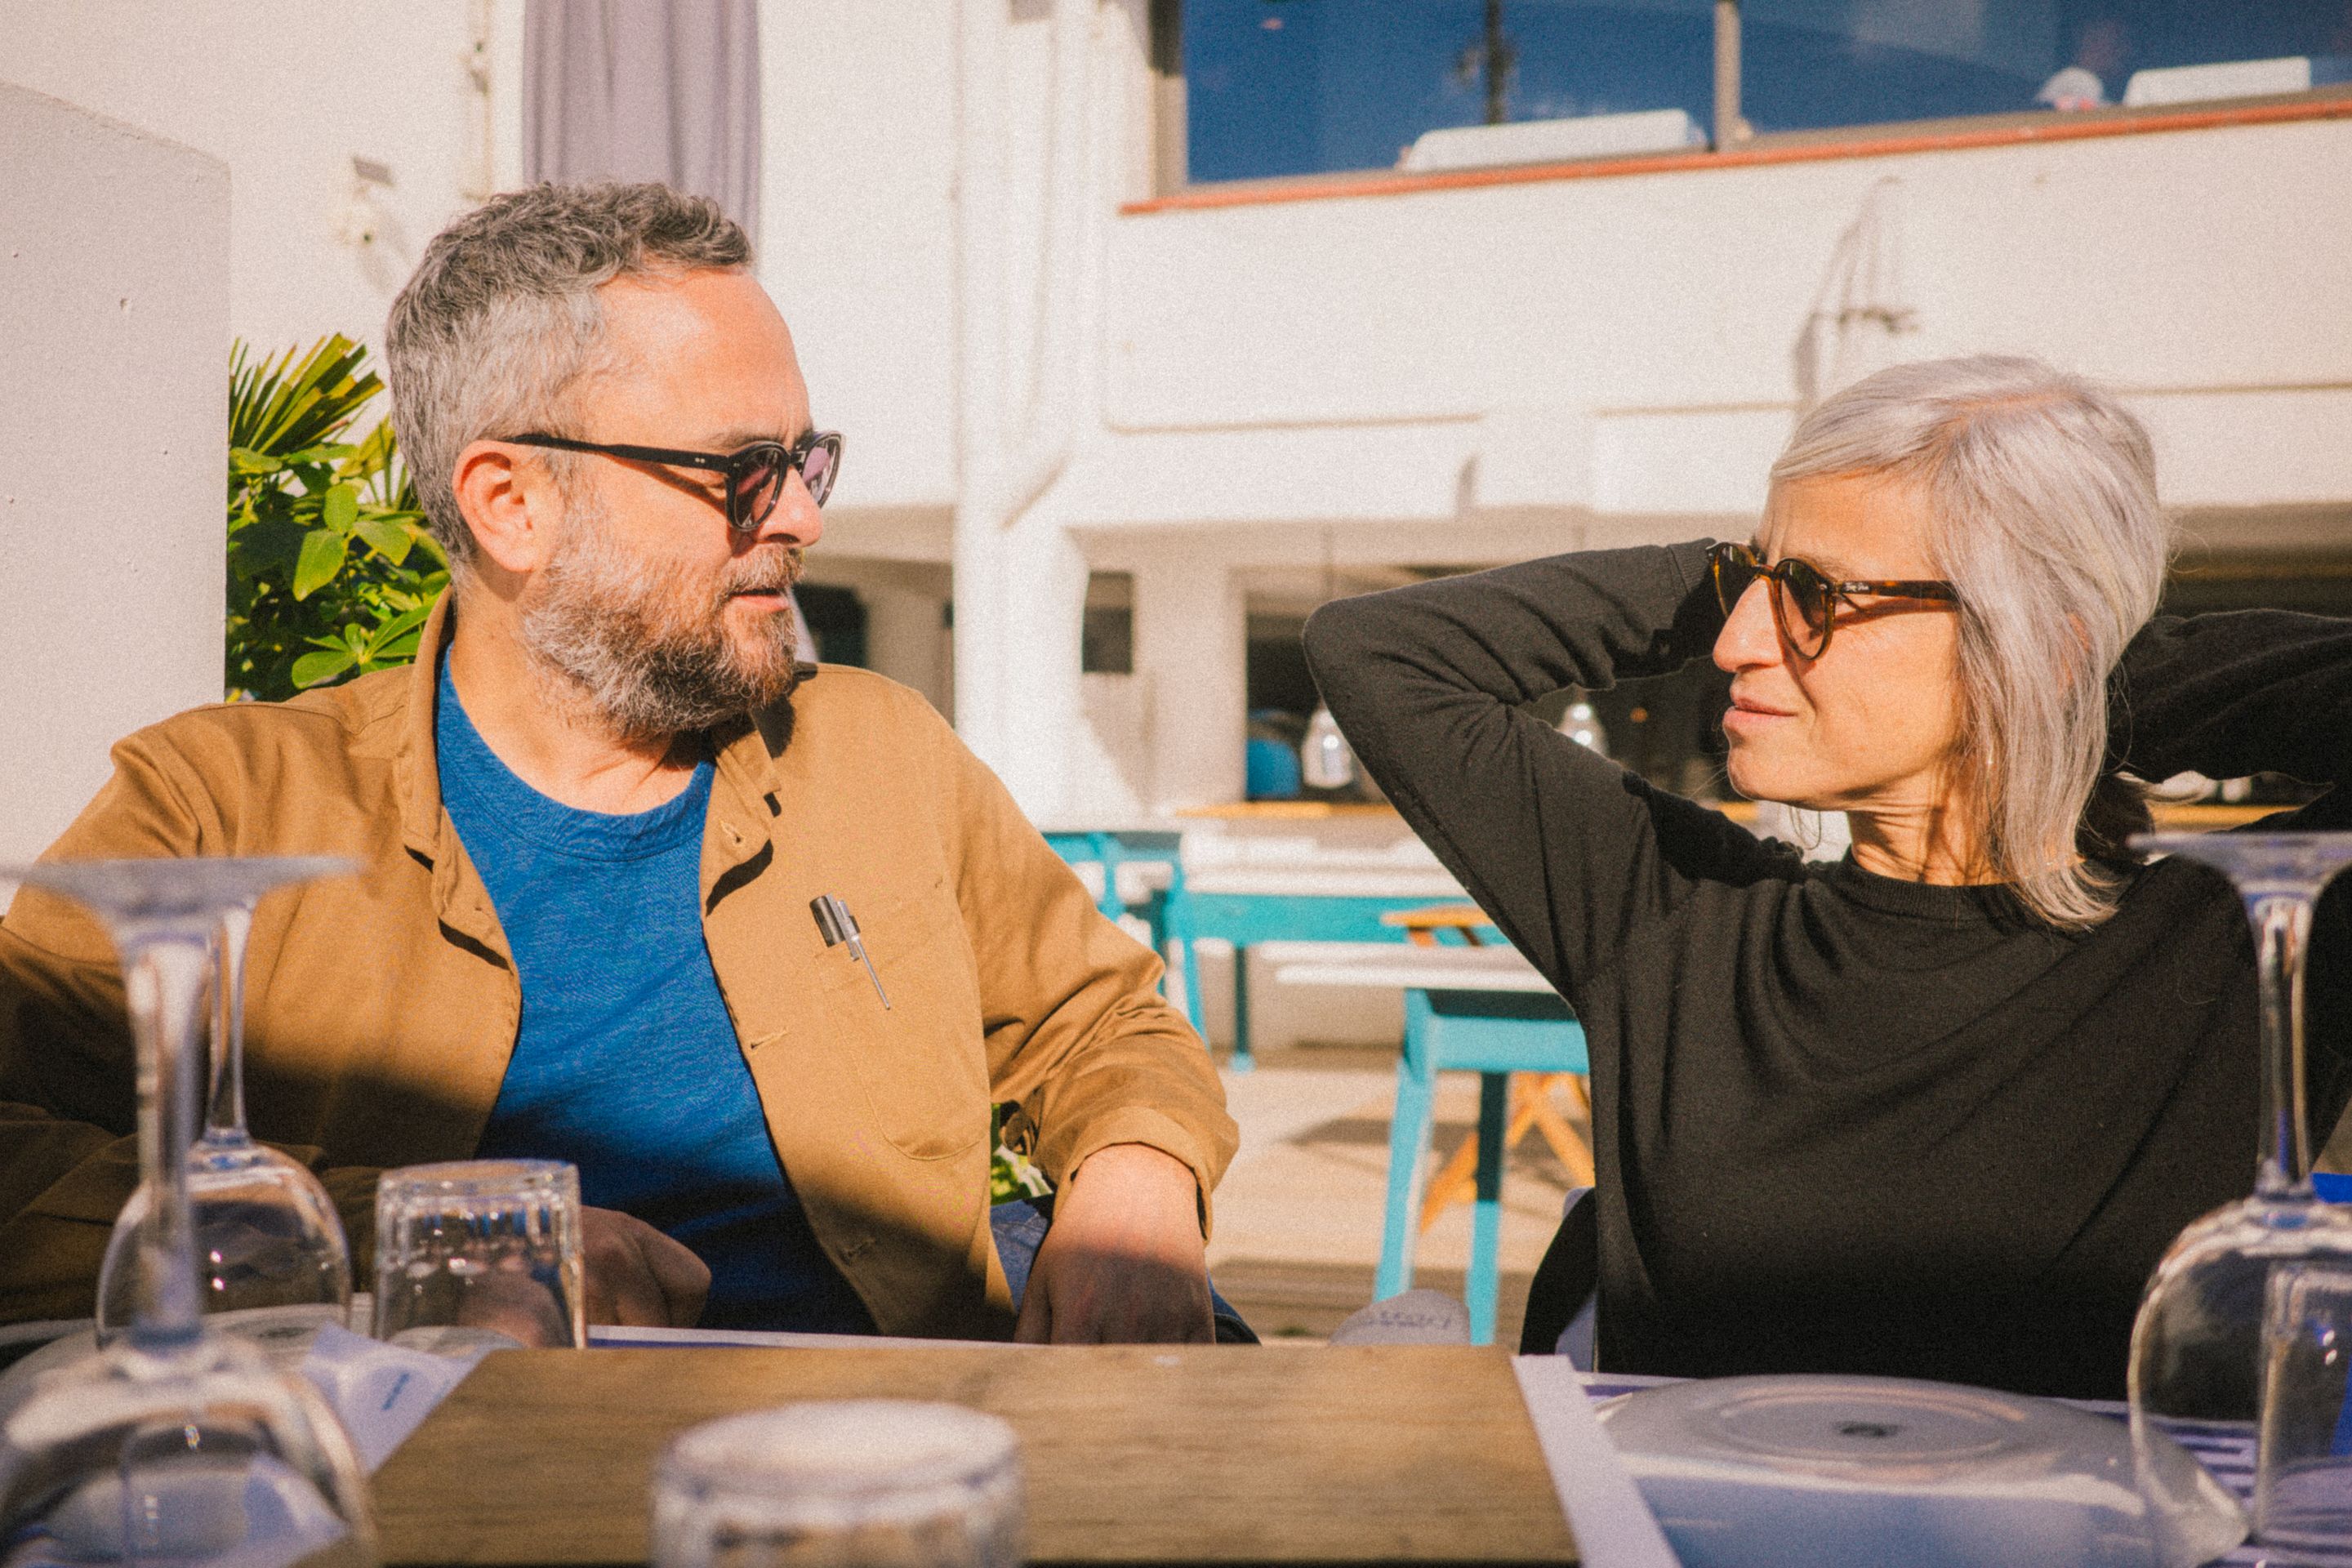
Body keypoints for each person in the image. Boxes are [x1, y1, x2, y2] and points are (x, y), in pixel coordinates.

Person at [0, 182, 1236, 1344]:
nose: (802, 517)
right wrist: (433, 1244)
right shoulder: (225, 806)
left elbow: (1104, 1021)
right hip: (460, 1464)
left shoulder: (879, 751)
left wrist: (1138, 1176)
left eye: (804, 461)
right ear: (512, 504)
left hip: (910, 1434)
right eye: (741, 472)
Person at [1304, 355, 2352, 1400]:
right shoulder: (1677, 915)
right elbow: (1381, 651)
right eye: (1744, 586)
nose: (1735, 643)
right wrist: (1744, 570)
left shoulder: (2256, 952)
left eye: (1812, 594)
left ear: (2028, 641)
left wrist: (2064, 681)